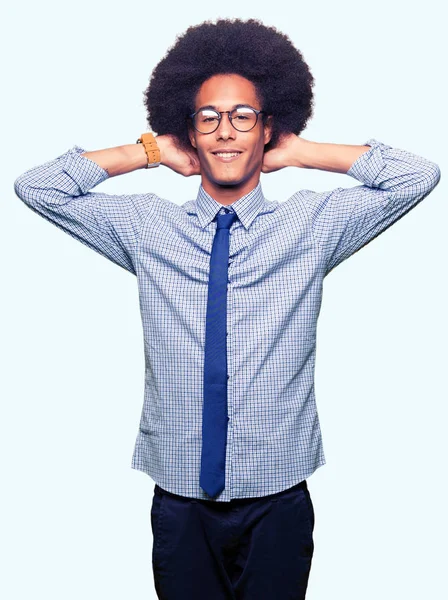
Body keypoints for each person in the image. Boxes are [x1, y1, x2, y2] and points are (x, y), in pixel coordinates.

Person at [13, 17, 441, 600]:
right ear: (188, 129)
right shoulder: (145, 227)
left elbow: (417, 176)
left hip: (278, 496)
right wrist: (149, 150)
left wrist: (298, 151)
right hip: (181, 501)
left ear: (268, 125)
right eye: (208, 117)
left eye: (244, 116)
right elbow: (38, 187)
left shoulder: (312, 227)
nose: (225, 132)